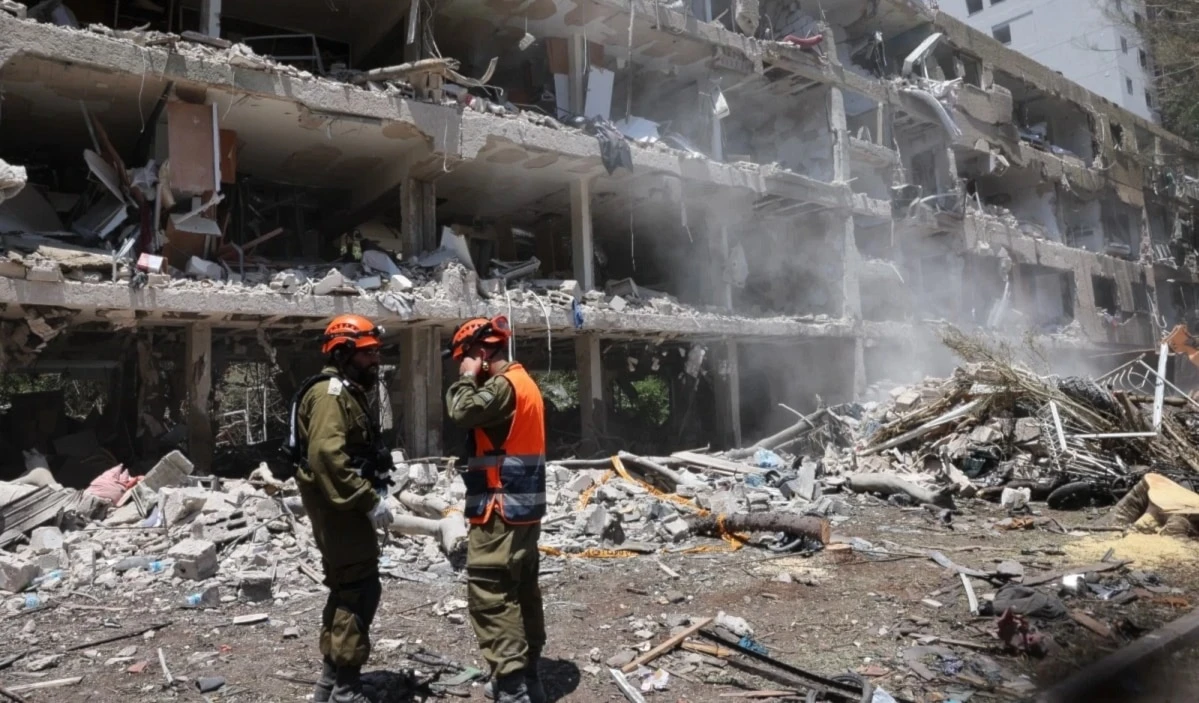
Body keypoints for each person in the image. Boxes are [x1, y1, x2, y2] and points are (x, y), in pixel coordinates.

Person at [287, 314, 395, 703]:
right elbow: (326, 455)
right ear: (343, 352)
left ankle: (329, 685)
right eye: (367, 354)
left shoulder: (344, 391)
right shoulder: (331, 395)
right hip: (341, 510)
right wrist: (368, 500)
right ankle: (347, 690)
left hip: (342, 508)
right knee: (358, 591)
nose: (375, 361)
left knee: (348, 588)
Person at [445, 316, 548, 703]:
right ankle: (529, 678)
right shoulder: (526, 384)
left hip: (499, 508)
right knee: (522, 590)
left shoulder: (503, 387)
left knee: (491, 593)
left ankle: (512, 686)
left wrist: (466, 378)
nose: (462, 364)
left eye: (466, 357)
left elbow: (461, 411)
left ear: (483, 352)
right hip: (524, 507)